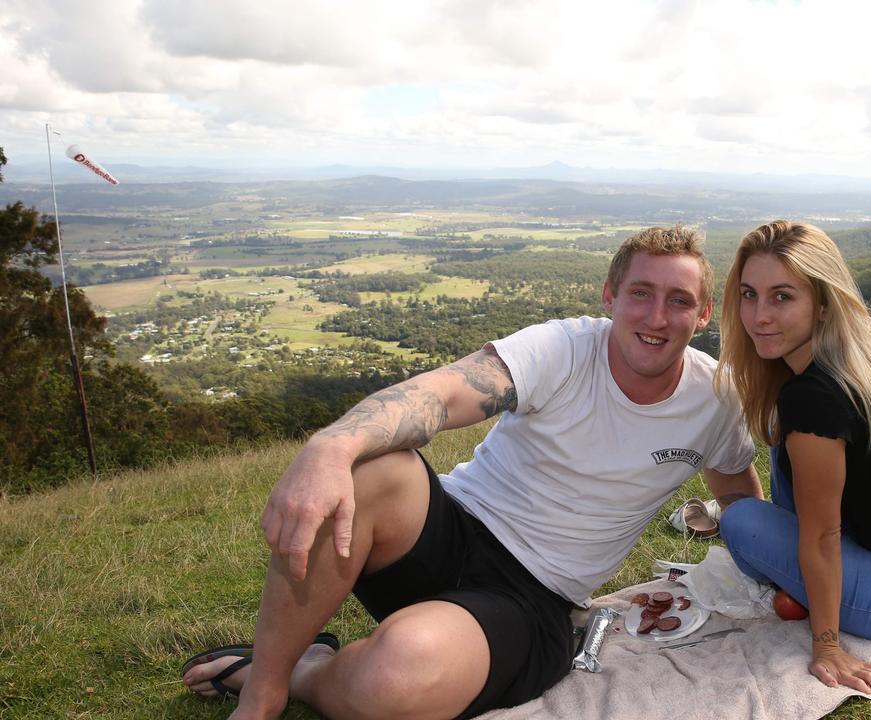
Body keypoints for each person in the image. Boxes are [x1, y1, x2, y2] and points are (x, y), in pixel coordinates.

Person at [181, 226, 762, 720]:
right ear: (610, 295)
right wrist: (330, 446)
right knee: (371, 463)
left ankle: (309, 671)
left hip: (532, 598)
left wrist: (773, 574)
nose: (657, 317)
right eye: (641, 293)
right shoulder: (563, 349)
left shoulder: (715, 400)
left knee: (398, 679)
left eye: (680, 300)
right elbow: (442, 393)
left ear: (704, 313)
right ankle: (261, 693)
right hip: (451, 527)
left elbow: (737, 494)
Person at [715, 220, 871, 696]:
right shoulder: (860, 362)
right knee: (780, 441)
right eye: (749, 294)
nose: (759, 316)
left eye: (783, 297)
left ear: (824, 304)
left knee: (741, 520)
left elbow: (823, 534)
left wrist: (827, 646)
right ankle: (812, 582)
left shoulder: (813, 396)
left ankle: (814, 592)